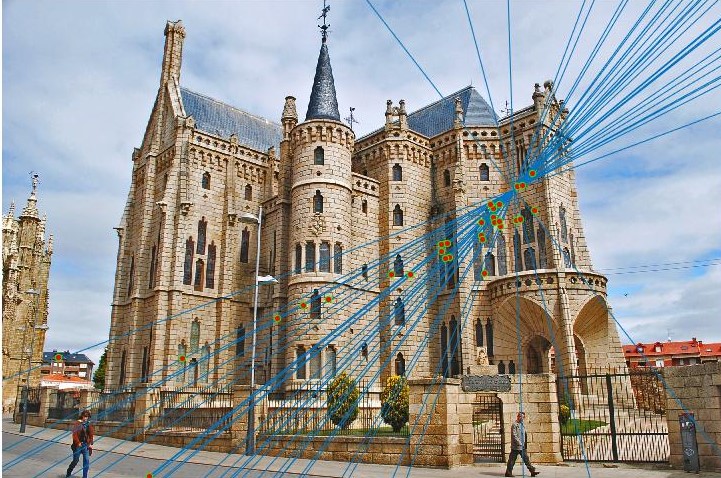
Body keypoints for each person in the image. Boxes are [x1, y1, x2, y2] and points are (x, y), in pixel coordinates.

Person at [505, 411, 539, 477]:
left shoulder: (522, 424)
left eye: (522, 417)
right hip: (516, 446)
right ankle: (508, 473)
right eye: (520, 416)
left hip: (522, 446)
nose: (521, 418)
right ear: (517, 416)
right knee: (512, 460)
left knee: (526, 459)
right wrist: (519, 443)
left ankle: (532, 471)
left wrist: (524, 444)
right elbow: (514, 435)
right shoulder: (515, 425)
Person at [66, 409, 94, 478]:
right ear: (82, 416)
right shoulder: (78, 423)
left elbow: (91, 434)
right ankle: (69, 471)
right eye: (84, 416)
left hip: (85, 445)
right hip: (78, 445)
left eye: (87, 416)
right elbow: (74, 434)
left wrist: (90, 441)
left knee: (86, 460)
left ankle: (85, 476)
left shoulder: (88, 424)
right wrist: (78, 442)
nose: (85, 418)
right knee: (75, 460)